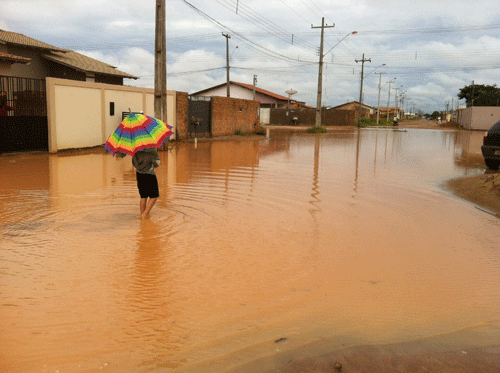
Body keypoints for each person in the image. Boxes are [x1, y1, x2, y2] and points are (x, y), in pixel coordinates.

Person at [132, 149, 161, 218]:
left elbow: (134, 162)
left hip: (139, 174)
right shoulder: (151, 148)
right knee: (154, 196)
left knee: (143, 196)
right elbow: (157, 163)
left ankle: (142, 215)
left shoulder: (136, 149)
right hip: (149, 174)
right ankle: (145, 214)